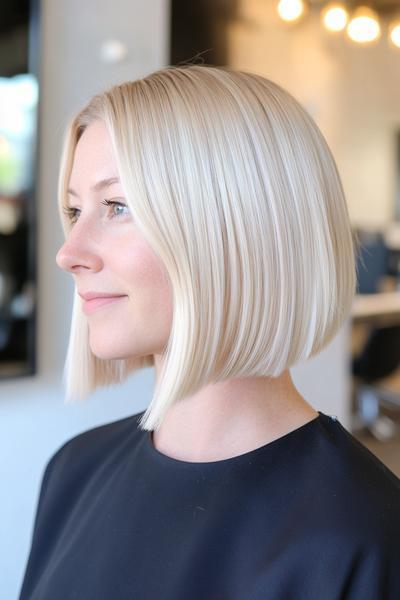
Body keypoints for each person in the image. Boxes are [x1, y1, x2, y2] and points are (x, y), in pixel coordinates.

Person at [18, 64, 400, 600]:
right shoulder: (74, 471)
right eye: (75, 210)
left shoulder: (363, 537)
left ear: (237, 226)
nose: (69, 253)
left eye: (117, 206)